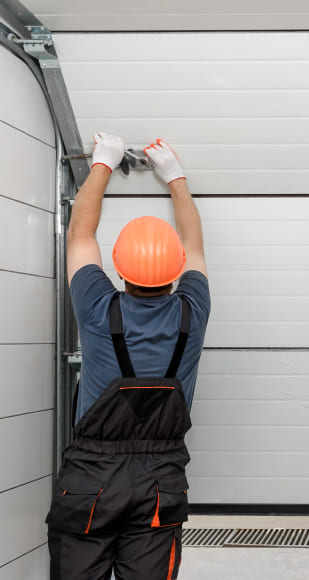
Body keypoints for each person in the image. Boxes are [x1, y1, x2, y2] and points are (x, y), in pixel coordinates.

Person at [46, 133, 210, 580]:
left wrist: (103, 163)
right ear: (177, 271)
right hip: (160, 479)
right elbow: (194, 243)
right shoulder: (192, 313)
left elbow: (80, 231)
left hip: (90, 479)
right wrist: (174, 175)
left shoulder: (99, 308)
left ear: (119, 268)